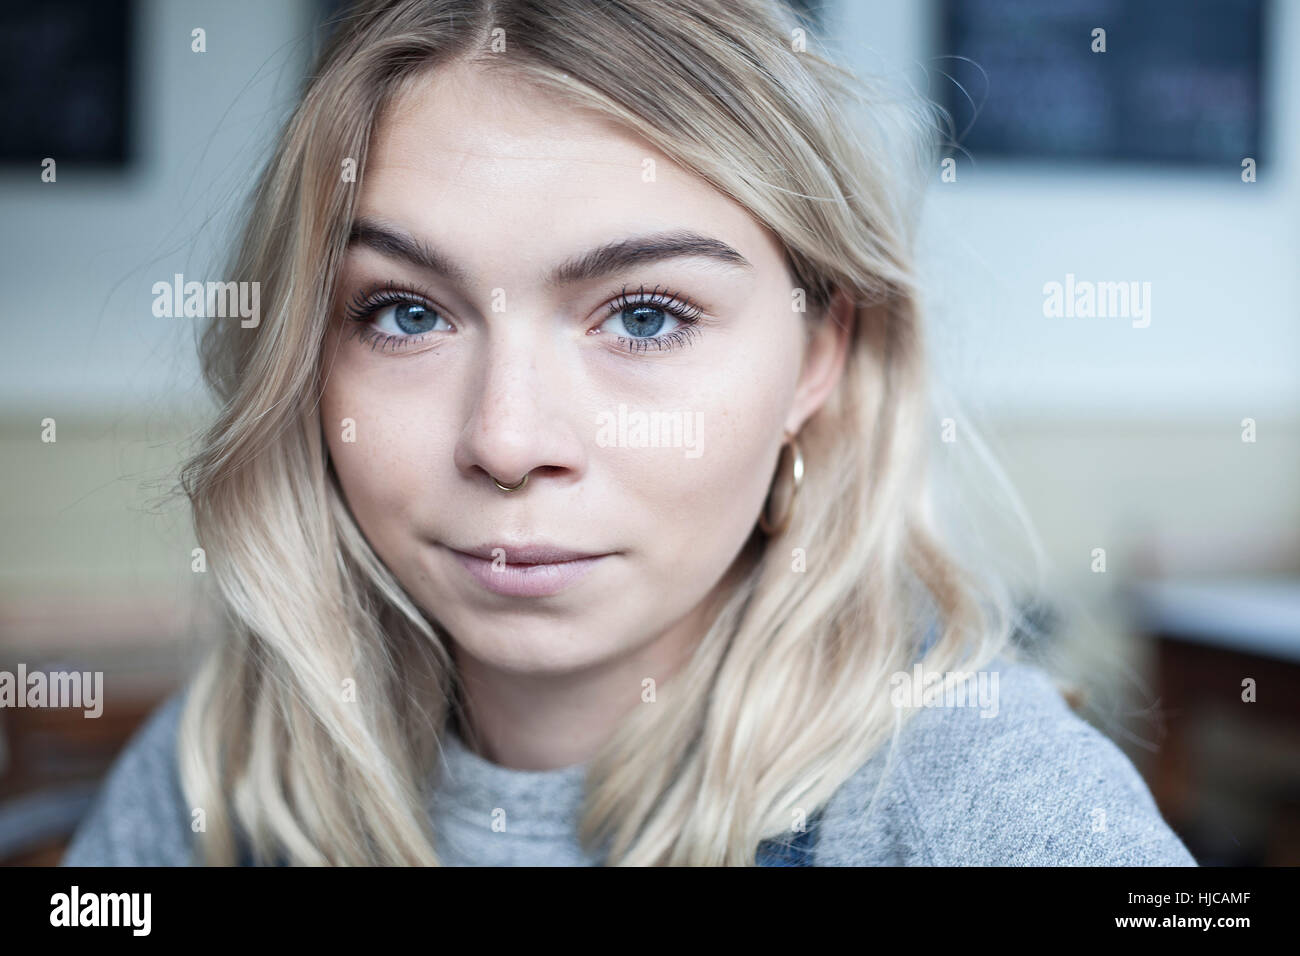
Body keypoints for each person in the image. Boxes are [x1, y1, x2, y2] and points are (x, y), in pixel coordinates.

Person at [62, 0, 1195, 866]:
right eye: (406, 312)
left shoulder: (984, 804)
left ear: (816, 352)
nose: (506, 441)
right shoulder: (221, 769)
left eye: (645, 316)